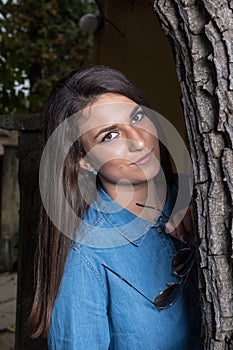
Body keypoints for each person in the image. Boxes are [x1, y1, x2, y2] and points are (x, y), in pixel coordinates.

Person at [29, 65, 202, 349]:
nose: (138, 140)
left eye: (137, 117)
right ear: (83, 160)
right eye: (110, 135)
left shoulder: (203, 202)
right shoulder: (88, 259)